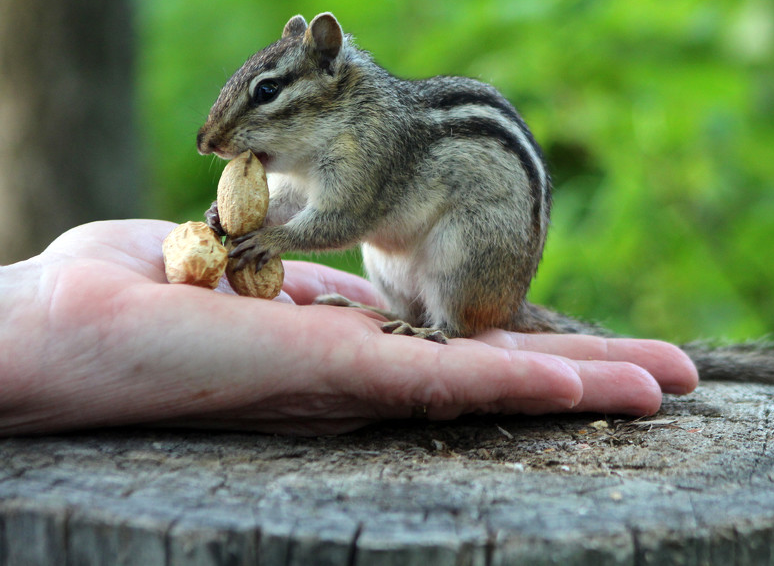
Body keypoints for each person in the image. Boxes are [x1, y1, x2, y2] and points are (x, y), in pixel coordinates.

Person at [0, 220, 698, 436]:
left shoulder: (368, 143)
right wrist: (49, 309)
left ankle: (446, 322)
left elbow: (340, 216)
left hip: (467, 251)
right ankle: (418, 315)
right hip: (410, 269)